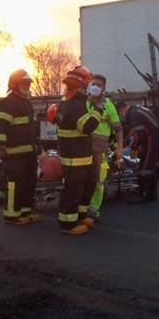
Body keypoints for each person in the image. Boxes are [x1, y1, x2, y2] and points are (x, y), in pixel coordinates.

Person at [56, 66, 103, 235]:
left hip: (80, 155)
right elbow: (87, 127)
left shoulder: (69, 101)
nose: (89, 87)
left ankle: (80, 216)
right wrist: (98, 111)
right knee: (73, 189)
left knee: (87, 185)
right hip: (74, 157)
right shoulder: (74, 104)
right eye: (88, 84)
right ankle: (67, 224)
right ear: (81, 85)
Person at [0, 69, 40, 225]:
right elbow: (1, 126)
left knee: (29, 182)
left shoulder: (27, 102)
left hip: (29, 152)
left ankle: (25, 211)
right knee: (15, 184)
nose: (27, 86)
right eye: (24, 83)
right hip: (14, 153)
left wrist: (38, 146)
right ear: (14, 84)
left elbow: (32, 128)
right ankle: (11, 215)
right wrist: (1, 146)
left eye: (28, 83)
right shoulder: (8, 102)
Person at [85, 74, 123, 221]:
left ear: (104, 88)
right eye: (93, 84)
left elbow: (118, 129)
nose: (95, 87)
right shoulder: (83, 103)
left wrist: (119, 148)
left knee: (99, 181)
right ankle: (82, 208)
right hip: (83, 149)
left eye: (99, 85)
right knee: (83, 180)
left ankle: (93, 210)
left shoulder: (108, 105)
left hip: (100, 151)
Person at [117, 102, 159, 202]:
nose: (121, 116)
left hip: (151, 139)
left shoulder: (133, 115)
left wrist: (130, 148)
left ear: (121, 109)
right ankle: (150, 193)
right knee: (148, 165)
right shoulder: (136, 110)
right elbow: (134, 133)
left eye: (120, 113)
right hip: (153, 137)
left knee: (145, 167)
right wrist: (128, 144)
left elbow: (139, 136)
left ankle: (144, 195)